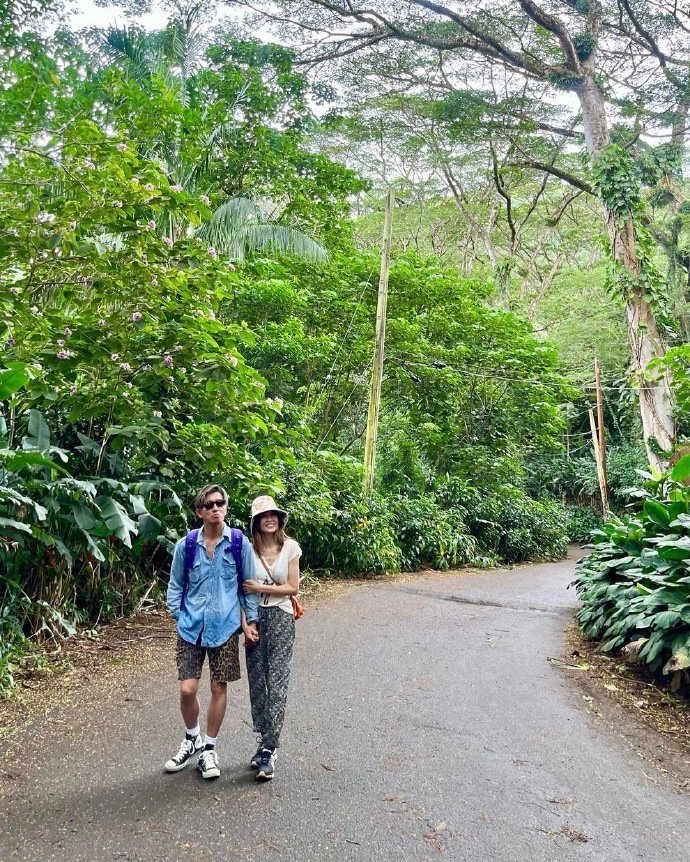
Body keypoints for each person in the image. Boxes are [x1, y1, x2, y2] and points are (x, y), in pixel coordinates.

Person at [165, 484, 259, 780]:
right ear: (199, 512)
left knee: (219, 687)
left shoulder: (238, 543)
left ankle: (208, 747)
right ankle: (191, 738)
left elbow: (248, 586)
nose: (215, 508)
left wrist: (250, 621)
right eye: (208, 505)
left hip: (226, 627)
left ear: (226, 508)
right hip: (191, 628)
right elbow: (175, 585)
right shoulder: (186, 545)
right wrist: (179, 616)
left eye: (220, 503)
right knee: (187, 688)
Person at [242, 495, 301, 781]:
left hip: (280, 617)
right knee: (257, 680)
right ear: (256, 521)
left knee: (277, 680)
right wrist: (245, 624)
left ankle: (269, 748)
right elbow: (241, 592)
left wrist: (258, 587)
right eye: (264, 515)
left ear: (279, 519)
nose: (270, 518)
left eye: (274, 514)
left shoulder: (290, 547)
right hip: (254, 619)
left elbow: (292, 587)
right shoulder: (247, 551)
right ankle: (263, 739)